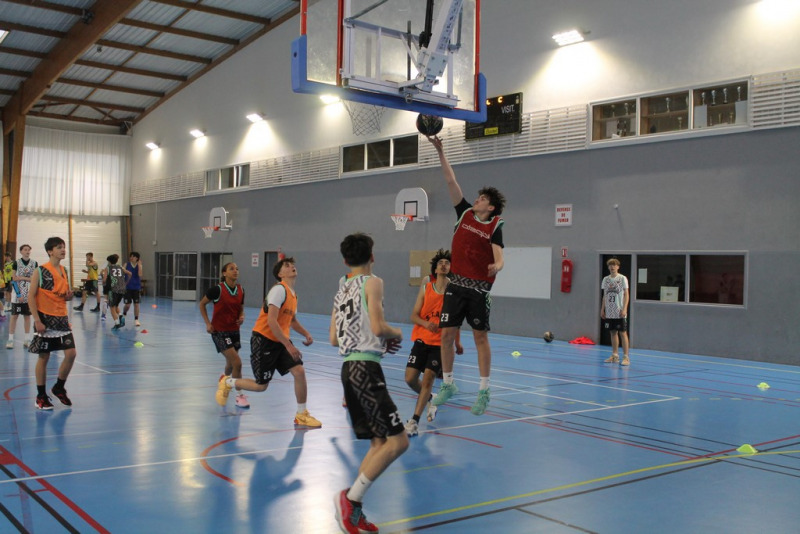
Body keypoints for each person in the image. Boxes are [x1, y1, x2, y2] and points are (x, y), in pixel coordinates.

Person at [331, 233, 408, 534]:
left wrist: (375, 339)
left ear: (344, 260)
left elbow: (334, 338)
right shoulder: (373, 282)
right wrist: (396, 333)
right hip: (366, 369)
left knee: (379, 442)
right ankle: (350, 499)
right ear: (372, 256)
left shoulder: (341, 288)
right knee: (398, 442)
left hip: (348, 368)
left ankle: (354, 505)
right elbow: (377, 327)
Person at [428, 136, 506, 416]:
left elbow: (499, 255)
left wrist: (498, 265)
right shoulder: (464, 214)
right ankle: (448, 383)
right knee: (447, 335)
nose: (477, 199)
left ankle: (484, 391)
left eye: (482, 199)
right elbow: (451, 181)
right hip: (456, 285)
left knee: (480, 338)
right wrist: (441, 152)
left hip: (478, 290)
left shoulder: (494, 226)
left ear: (491, 207)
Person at [216, 257, 321, 427]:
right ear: (280, 274)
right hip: (264, 340)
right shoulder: (279, 290)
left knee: (299, 371)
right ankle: (227, 382)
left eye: (292, 265)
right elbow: (272, 321)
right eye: (287, 266)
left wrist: (306, 333)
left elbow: (292, 320)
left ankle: (301, 414)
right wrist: (289, 345)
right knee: (261, 386)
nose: (292, 267)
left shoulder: (293, 295)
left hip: (280, 341)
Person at [404, 249, 463, 437]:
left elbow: (456, 321)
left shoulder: (454, 292)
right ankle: (431, 397)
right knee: (410, 379)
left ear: (450, 268)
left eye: (447, 263)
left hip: (440, 344)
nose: (444, 265)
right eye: (440, 263)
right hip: (422, 339)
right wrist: (425, 323)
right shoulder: (426, 288)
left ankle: (414, 421)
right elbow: (414, 315)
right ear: (435, 269)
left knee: (429, 377)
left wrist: (457, 343)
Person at [27, 237, 77, 410]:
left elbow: (61, 294)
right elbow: (30, 296)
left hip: (61, 318)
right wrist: (37, 320)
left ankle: (58, 387)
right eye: (58, 247)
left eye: (63, 247)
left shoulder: (64, 270)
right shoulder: (40, 271)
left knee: (71, 354)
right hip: (45, 319)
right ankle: (40, 396)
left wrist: (68, 297)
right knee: (44, 357)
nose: (63, 250)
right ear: (50, 251)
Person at [199, 262, 250, 409]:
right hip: (220, 332)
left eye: (237, 268)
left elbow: (240, 308)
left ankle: (224, 379)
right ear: (224, 273)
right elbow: (202, 304)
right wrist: (207, 323)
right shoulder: (217, 290)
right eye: (231, 269)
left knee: (230, 364)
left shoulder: (241, 289)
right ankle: (239, 396)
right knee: (237, 363)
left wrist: (242, 316)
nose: (235, 271)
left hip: (234, 331)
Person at [7, 244, 38, 349]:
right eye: (25, 250)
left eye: (29, 250)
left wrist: (22, 277)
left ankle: (27, 339)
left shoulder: (34, 263)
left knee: (27, 316)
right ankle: (10, 339)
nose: (27, 251)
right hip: (18, 295)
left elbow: (34, 279)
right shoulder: (16, 263)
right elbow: (14, 279)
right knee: (14, 316)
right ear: (21, 251)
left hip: (29, 295)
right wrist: (19, 294)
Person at [601, 258, 630, 366]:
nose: (612, 267)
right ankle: (615, 356)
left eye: (614, 265)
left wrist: (625, 308)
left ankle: (626, 357)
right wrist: (602, 309)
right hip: (609, 311)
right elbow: (605, 295)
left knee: (623, 333)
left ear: (618, 267)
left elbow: (626, 294)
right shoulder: (605, 279)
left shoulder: (622, 278)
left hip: (619, 310)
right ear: (608, 267)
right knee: (613, 332)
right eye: (610, 265)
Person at [106, 254, 131, 330]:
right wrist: (126, 283)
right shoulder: (120, 267)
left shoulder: (108, 268)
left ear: (109, 261)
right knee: (116, 305)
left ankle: (117, 323)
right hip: (122, 289)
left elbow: (104, 279)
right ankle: (120, 316)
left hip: (113, 289)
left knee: (112, 307)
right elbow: (130, 273)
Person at [122, 252, 143, 326]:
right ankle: (124, 314)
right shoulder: (126, 264)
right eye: (130, 256)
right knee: (127, 305)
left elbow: (140, 275)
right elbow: (122, 273)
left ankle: (136, 319)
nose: (131, 258)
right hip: (127, 287)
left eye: (132, 256)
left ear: (136, 258)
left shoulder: (139, 265)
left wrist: (139, 265)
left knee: (136, 304)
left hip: (136, 287)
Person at [2, 251, 13, 316]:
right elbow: (5, 272)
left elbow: (14, 272)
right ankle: (7, 305)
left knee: (9, 292)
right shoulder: (5, 264)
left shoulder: (12, 264)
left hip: (10, 280)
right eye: (5, 257)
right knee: (6, 293)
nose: (6, 258)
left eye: (6, 256)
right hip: (6, 280)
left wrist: (12, 279)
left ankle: (10, 306)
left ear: (9, 257)